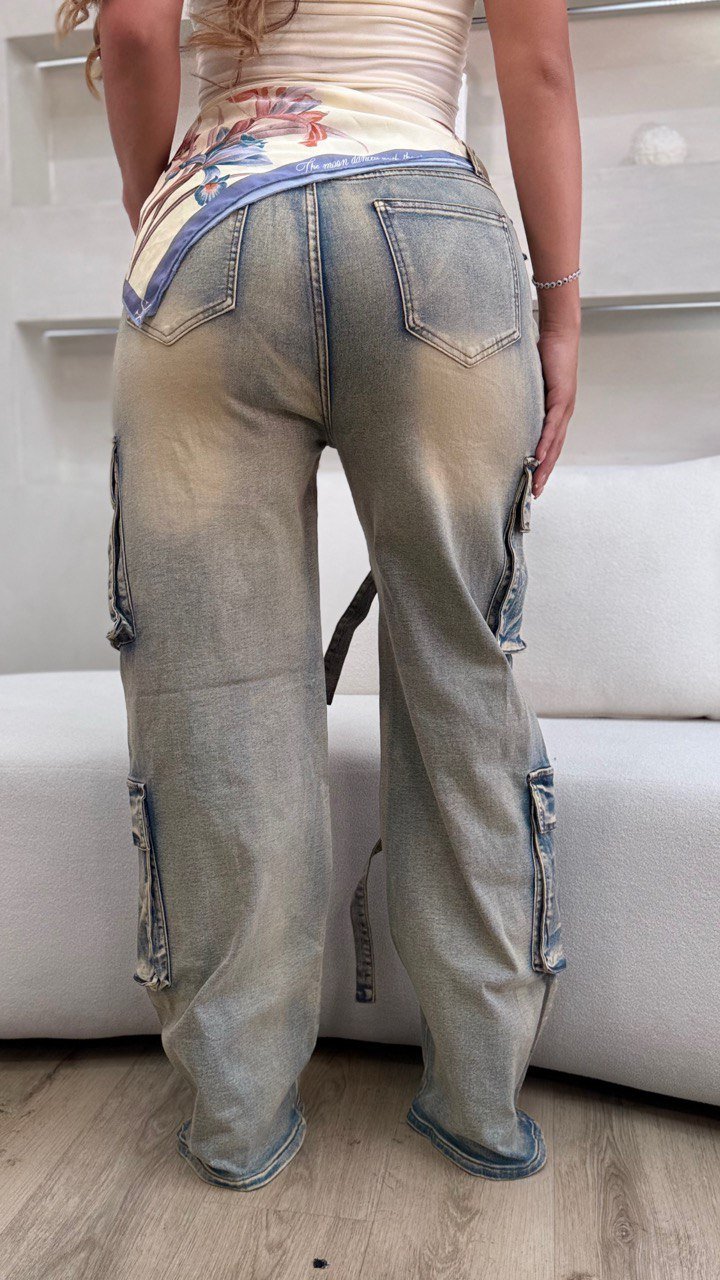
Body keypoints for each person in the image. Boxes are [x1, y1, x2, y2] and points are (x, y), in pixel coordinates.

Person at [56, 0, 581, 1189]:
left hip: (214, 230)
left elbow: (132, 34)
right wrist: (560, 307)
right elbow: (540, 66)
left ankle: (238, 1120)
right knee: (461, 677)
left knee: (213, 700)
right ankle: (481, 1104)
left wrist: (160, 203)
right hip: (435, 237)